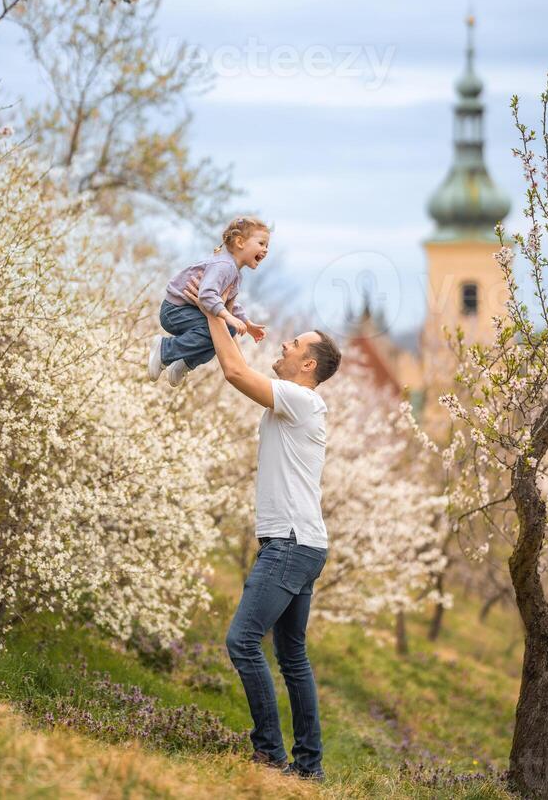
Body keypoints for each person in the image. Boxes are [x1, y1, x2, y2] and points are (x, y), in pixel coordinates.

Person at [182, 272, 341, 781]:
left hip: (291, 545)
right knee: (292, 656)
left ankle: (270, 756)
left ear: (308, 364)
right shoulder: (294, 403)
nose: (285, 344)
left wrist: (213, 309)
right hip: (300, 543)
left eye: (294, 344)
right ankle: (308, 768)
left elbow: (233, 372)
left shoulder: (303, 399)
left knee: (242, 642)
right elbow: (238, 369)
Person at [147, 216, 269, 388]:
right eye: (261, 243)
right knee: (218, 328)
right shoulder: (224, 266)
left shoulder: (235, 273)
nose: (265, 250)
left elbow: (229, 304)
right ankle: (165, 348)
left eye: (267, 246)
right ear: (240, 242)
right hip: (175, 310)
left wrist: (246, 323)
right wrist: (228, 317)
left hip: (189, 311)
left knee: (225, 331)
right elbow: (207, 294)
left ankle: (183, 363)